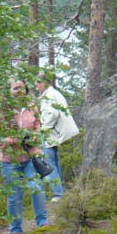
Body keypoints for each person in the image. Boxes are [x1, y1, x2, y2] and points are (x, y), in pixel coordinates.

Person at [0, 79, 50, 234]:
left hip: (30, 157)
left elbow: (39, 127)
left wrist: (34, 138)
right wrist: (13, 140)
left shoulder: (32, 107)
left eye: (22, 87)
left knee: (36, 187)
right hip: (10, 160)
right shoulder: (1, 112)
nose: (20, 90)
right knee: (14, 196)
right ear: (8, 91)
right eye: (15, 88)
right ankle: (15, 229)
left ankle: (42, 222)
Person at [36, 71, 77, 201]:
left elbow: (52, 114)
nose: (36, 87)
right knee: (54, 161)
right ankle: (59, 190)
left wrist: (43, 128)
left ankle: (57, 193)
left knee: (49, 162)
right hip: (54, 133)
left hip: (50, 133)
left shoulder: (50, 95)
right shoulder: (53, 94)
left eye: (37, 84)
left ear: (43, 83)